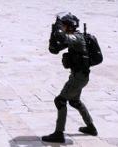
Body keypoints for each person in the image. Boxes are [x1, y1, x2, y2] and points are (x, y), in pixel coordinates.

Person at [42, 13, 96, 143]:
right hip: (80, 76)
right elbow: (55, 48)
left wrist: (58, 26)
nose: (63, 28)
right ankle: (91, 127)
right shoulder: (74, 37)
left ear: (69, 26)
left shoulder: (76, 37)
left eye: (65, 25)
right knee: (74, 101)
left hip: (78, 77)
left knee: (60, 101)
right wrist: (53, 33)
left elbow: (62, 37)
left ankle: (59, 133)